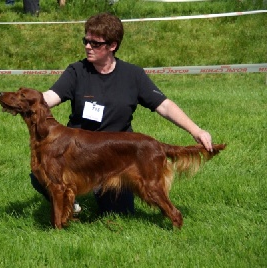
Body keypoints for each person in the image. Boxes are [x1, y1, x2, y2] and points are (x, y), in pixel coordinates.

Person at [30, 12, 214, 216]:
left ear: (112, 46)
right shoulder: (77, 71)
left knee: (120, 214)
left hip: (117, 158)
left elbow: (164, 105)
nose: (88, 46)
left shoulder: (132, 75)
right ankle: (70, 204)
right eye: (86, 40)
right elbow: (49, 97)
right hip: (80, 155)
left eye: (95, 43)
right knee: (41, 173)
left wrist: (196, 130)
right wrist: (26, 101)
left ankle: (99, 193)